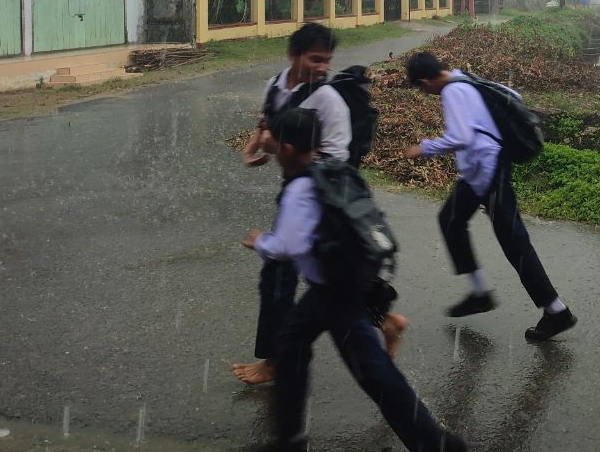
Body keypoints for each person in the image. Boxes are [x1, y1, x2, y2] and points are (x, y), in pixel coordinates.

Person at [242, 108, 466, 452]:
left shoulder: (301, 188)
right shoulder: (331, 170)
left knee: (373, 373)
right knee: (291, 344)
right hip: (339, 283)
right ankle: (288, 440)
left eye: (275, 140)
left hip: (336, 292)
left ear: (286, 147)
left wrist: (262, 243)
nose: (271, 145)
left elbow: (288, 245)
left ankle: (434, 443)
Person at [234, 24, 406, 386]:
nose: (321, 67)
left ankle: (275, 360)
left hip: (324, 196)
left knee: (287, 271)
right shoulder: (274, 86)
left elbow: (338, 159)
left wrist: (284, 152)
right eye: (314, 59)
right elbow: (265, 126)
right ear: (293, 55)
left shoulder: (329, 101)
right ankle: (387, 321)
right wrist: (254, 149)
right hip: (295, 188)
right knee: (336, 273)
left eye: (326, 61)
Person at [402, 51, 577, 342]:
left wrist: (425, 148)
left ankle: (556, 311)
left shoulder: (453, 91)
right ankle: (480, 292)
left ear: (424, 81)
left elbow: (462, 137)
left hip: (488, 172)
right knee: (450, 220)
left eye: (420, 88)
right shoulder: (465, 78)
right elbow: (512, 94)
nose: (425, 93)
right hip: (477, 173)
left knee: (514, 241)